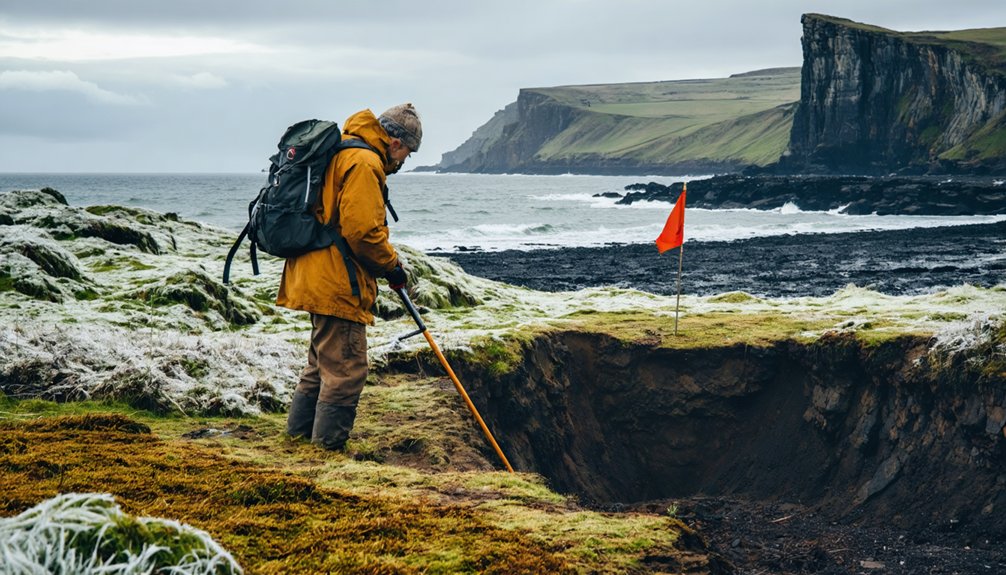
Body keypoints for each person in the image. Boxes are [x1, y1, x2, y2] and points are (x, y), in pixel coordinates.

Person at [277, 103, 422, 450]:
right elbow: (362, 233)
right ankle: (326, 451)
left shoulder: (342, 148)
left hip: (313, 272)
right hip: (336, 280)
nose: (404, 161)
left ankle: (297, 442)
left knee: (320, 365)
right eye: (408, 152)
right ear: (396, 143)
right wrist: (392, 266)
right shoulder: (365, 162)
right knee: (346, 368)